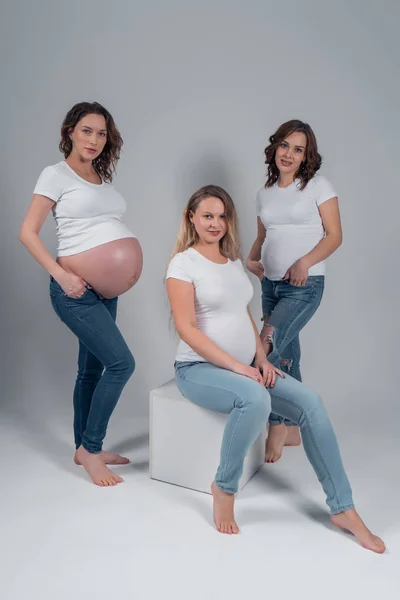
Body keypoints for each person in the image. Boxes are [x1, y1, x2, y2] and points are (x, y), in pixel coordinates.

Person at [166, 185, 385, 553]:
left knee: (310, 403)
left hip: (246, 366)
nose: (215, 223)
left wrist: (261, 358)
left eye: (222, 216)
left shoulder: (233, 262)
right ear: (191, 218)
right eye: (207, 215)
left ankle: (343, 508)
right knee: (255, 399)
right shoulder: (183, 263)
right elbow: (187, 328)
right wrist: (239, 367)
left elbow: (246, 316)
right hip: (198, 369)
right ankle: (224, 487)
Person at [19, 102, 143, 486]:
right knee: (121, 364)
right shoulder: (55, 175)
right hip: (74, 288)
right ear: (70, 131)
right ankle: (91, 449)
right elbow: (28, 232)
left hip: (105, 292)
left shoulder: (101, 179)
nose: (94, 140)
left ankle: (82, 447)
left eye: (102, 133)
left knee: (90, 371)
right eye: (87, 131)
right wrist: (61, 275)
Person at [246, 120, 342, 463]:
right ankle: (294, 429)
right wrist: (252, 258)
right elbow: (263, 236)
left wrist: (304, 262)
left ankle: (276, 424)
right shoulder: (264, 193)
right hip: (270, 285)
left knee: (266, 348)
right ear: (275, 148)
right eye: (284, 145)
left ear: (306, 156)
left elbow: (334, 236)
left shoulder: (318, 186)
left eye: (298, 149)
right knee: (286, 357)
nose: (288, 154)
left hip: (304, 285)